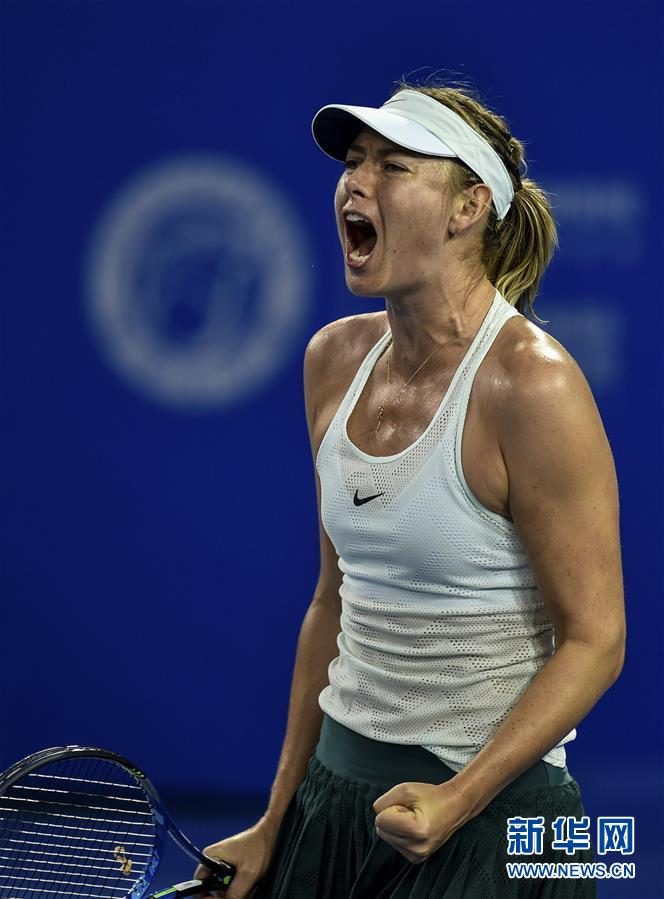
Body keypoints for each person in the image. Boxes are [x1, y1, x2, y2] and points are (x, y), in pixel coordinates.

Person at [194, 80, 625, 899]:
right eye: (352, 162)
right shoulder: (332, 360)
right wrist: (275, 820)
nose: (355, 184)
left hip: (503, 820)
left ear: (467, 207)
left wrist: (457, 798)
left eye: (392, 167)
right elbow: (334, 600)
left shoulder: (534, 384)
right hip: (332, 803)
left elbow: (597, 640)